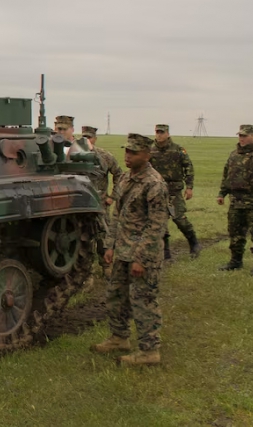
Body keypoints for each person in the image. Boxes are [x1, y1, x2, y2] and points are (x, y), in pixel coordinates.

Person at [91, 133, 168, 366]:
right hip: (122, 250)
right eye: (127, 151)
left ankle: (149, 351)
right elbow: (118, 215)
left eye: (133, 152)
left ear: (147, 155)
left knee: (143, 301)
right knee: (116, 297)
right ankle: (119, 337)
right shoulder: (125, 178)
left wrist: (141, 259)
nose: (128, 156)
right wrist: (110, 245)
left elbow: (157, 226)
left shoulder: (154, 184)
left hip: (142, 254)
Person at [217, 124, 253, 275]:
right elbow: (227, 176)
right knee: (235, 233)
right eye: (240, 135)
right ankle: (235, 261)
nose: (241, 138)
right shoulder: (233, 155)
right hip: (236, 201)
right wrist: (222, 193)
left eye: (245, 136)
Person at [150, 124, 201, 260]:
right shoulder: (150, 150)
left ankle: (194, 243)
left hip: (174, 191)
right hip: (157, 191)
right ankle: (166, 252)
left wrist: (189, 187)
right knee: (160, 222)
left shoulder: (177, 149)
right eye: (157, 132)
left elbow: (188, 167)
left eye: (162, 132)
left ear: (168, 134)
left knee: (179, 219)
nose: (159, 135)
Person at [81, 126, 123, 267]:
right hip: (81, 204)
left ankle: (106, 265)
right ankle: (86, 269)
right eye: (84, 137)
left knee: (103, 235)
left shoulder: (104, 156)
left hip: (101, 204)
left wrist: (113, 196)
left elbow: (119, 174)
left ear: (95, 139)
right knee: (83, 235)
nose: (87, 140)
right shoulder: (74, 156)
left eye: (89, 137)